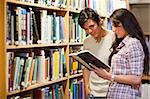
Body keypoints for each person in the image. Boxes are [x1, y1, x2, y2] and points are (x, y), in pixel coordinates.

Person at [90, 8, 149, 99]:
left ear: (126, 25)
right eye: (112, 26)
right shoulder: (122, 43)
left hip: (125, 95)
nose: (113, 30)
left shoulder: (133, 44)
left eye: (116, 26)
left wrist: (109, 76)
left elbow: (136, 79)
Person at [78, 8, 115, 98]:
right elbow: (86, 67)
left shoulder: (114, 38)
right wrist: (86, 85)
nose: (89, 31)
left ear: (100, 21)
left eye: (92, 26)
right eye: (86, 29)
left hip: (110, 90)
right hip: (93, 92)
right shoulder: (87, 41)